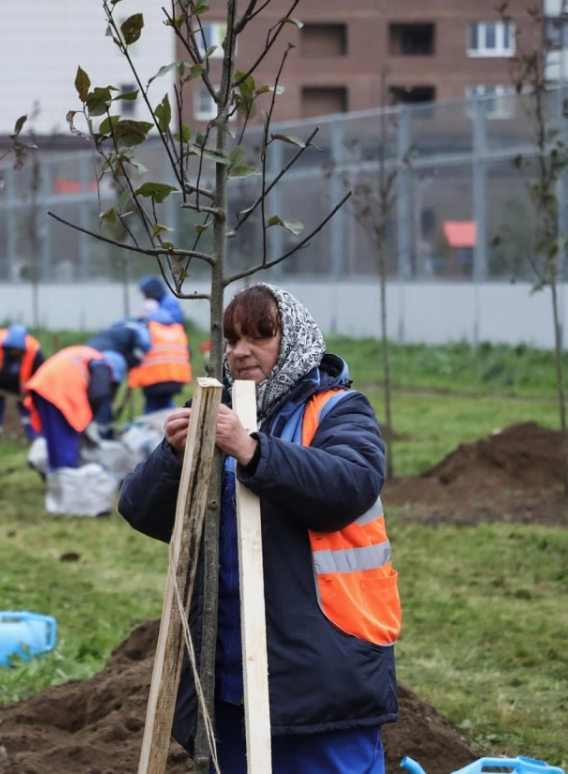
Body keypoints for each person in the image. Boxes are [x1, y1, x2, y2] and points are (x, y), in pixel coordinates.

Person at [117, 283, 400, 774]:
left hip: (320, 673)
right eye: (231, 340)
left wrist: (253, 450)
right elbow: (141, 510)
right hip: (226, 678)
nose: (240, 353)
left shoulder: (338, 410)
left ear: (291, 340)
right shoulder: (218, 415)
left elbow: (349, 486)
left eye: (259, 336)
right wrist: (173, 456)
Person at [23, 346, 128, 473]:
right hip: (61, 391)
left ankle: (57, 480)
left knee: (54, 444)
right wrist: (90, 418)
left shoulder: (86, 354)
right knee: (66, 443)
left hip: (42, 386)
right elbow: (99, 393)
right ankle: (69, 483)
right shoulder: (102, 364)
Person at [129, 302, 193, 414]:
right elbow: (188, 351)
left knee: (152, 407)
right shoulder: (177, 328)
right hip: (175, 376)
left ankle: (151, 429)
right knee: (167, 404)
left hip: (153, 378)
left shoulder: (147, 327)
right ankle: (169, 427)